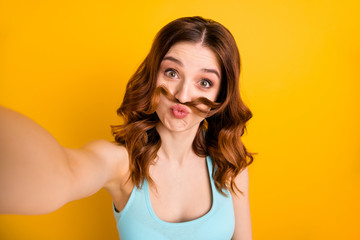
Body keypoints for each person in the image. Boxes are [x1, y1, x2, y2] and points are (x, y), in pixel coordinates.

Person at [0, 16, 255, 239]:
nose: (183, 95)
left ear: (222, 94)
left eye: (205, 82)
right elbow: (62, 173)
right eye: (172, 73)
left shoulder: (230, 165)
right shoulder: (120, 163)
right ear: (153, 75)